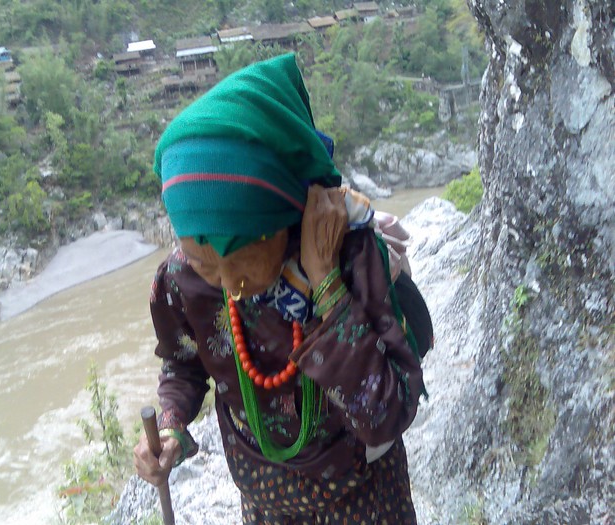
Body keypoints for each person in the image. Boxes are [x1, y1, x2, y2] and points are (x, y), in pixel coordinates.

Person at [134, 53, 425, 524]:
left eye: (241, 259)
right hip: (266, 503)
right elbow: (184, 363)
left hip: (365, 497)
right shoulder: (180, 279)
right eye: (205, 263)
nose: (229, 285)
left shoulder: (350, 256)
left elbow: (388, 414)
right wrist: (170, 426)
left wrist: (325, 283)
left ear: (285, 218)